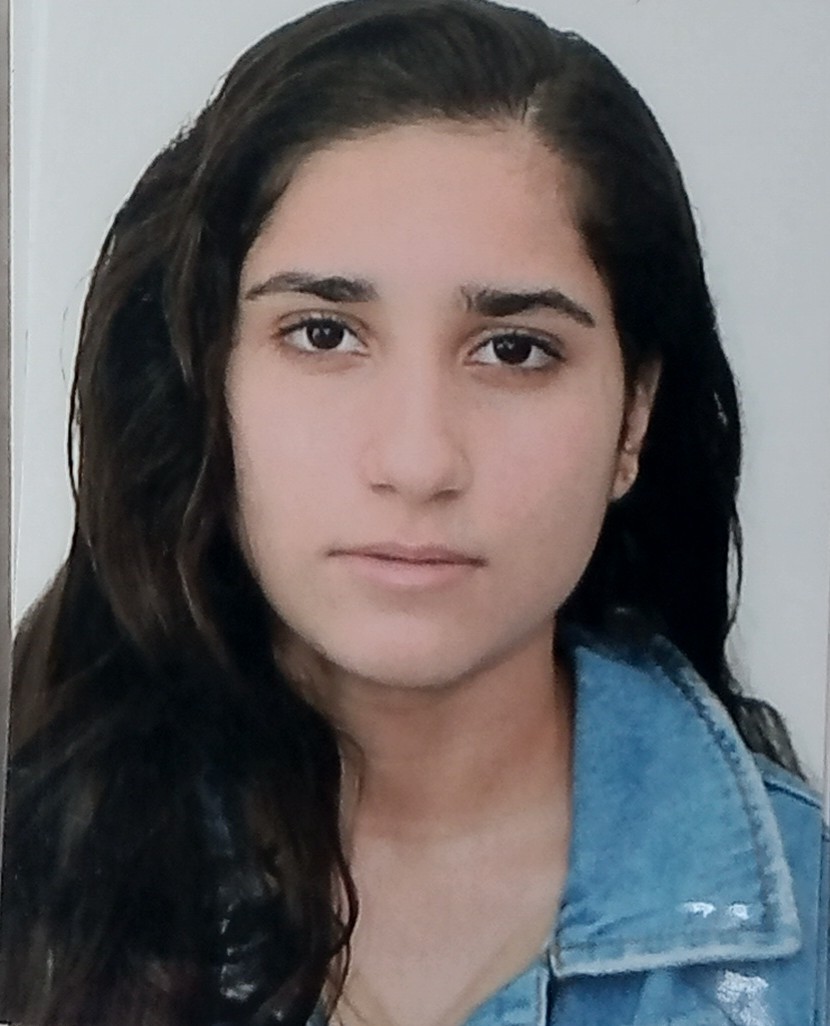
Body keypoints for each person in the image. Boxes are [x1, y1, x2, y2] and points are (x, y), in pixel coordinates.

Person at [1, 1, 826, 1024]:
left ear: (632, 419)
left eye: (514, 350)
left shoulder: (811, 938)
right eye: (322, 334)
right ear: (204, 380)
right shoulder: (30, 879)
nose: (417, 460)